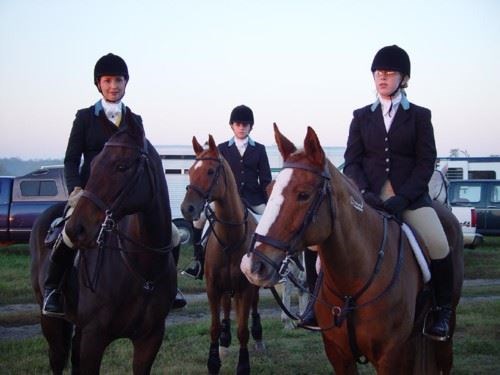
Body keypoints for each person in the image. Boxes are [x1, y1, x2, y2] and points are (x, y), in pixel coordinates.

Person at [42, 53, 186, 317]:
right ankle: (53, 288)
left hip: (124, 197)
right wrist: (76, 190)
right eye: (107, 81)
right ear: (99, 84)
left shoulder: (135, 120)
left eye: (118, 80)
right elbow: (71, 159)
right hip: (90, 194)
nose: (113, 86)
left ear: (125, 83)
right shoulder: (85, 117)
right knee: (68, 233)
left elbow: (141, 160)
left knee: (173, 235)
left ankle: (170, 286)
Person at [343, 45, 454, 340]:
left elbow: (425, 161)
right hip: (368, 200)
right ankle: (317, 307)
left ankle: (442, 310)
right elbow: (351, 161)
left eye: (389, 72)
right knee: (322, 242)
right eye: (378, 72)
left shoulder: (419, 116)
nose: (382, 77)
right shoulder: (361, 116)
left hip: (410, 199)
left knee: (439, 243)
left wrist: (404, 197)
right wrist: (365, 192)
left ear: (403, 78)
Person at [182, 105, 272, 279]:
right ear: (232, 125)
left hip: (253, 199)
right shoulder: (221, 148)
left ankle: (272, 264)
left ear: (250, 127)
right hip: (226, 200)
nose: (241, 127)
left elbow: (266, 179)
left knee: (269, 222)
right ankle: (198, 261)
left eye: (245, 124)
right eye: (238, 124)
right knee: (199, 220)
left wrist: (268, 201)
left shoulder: (259, 149)